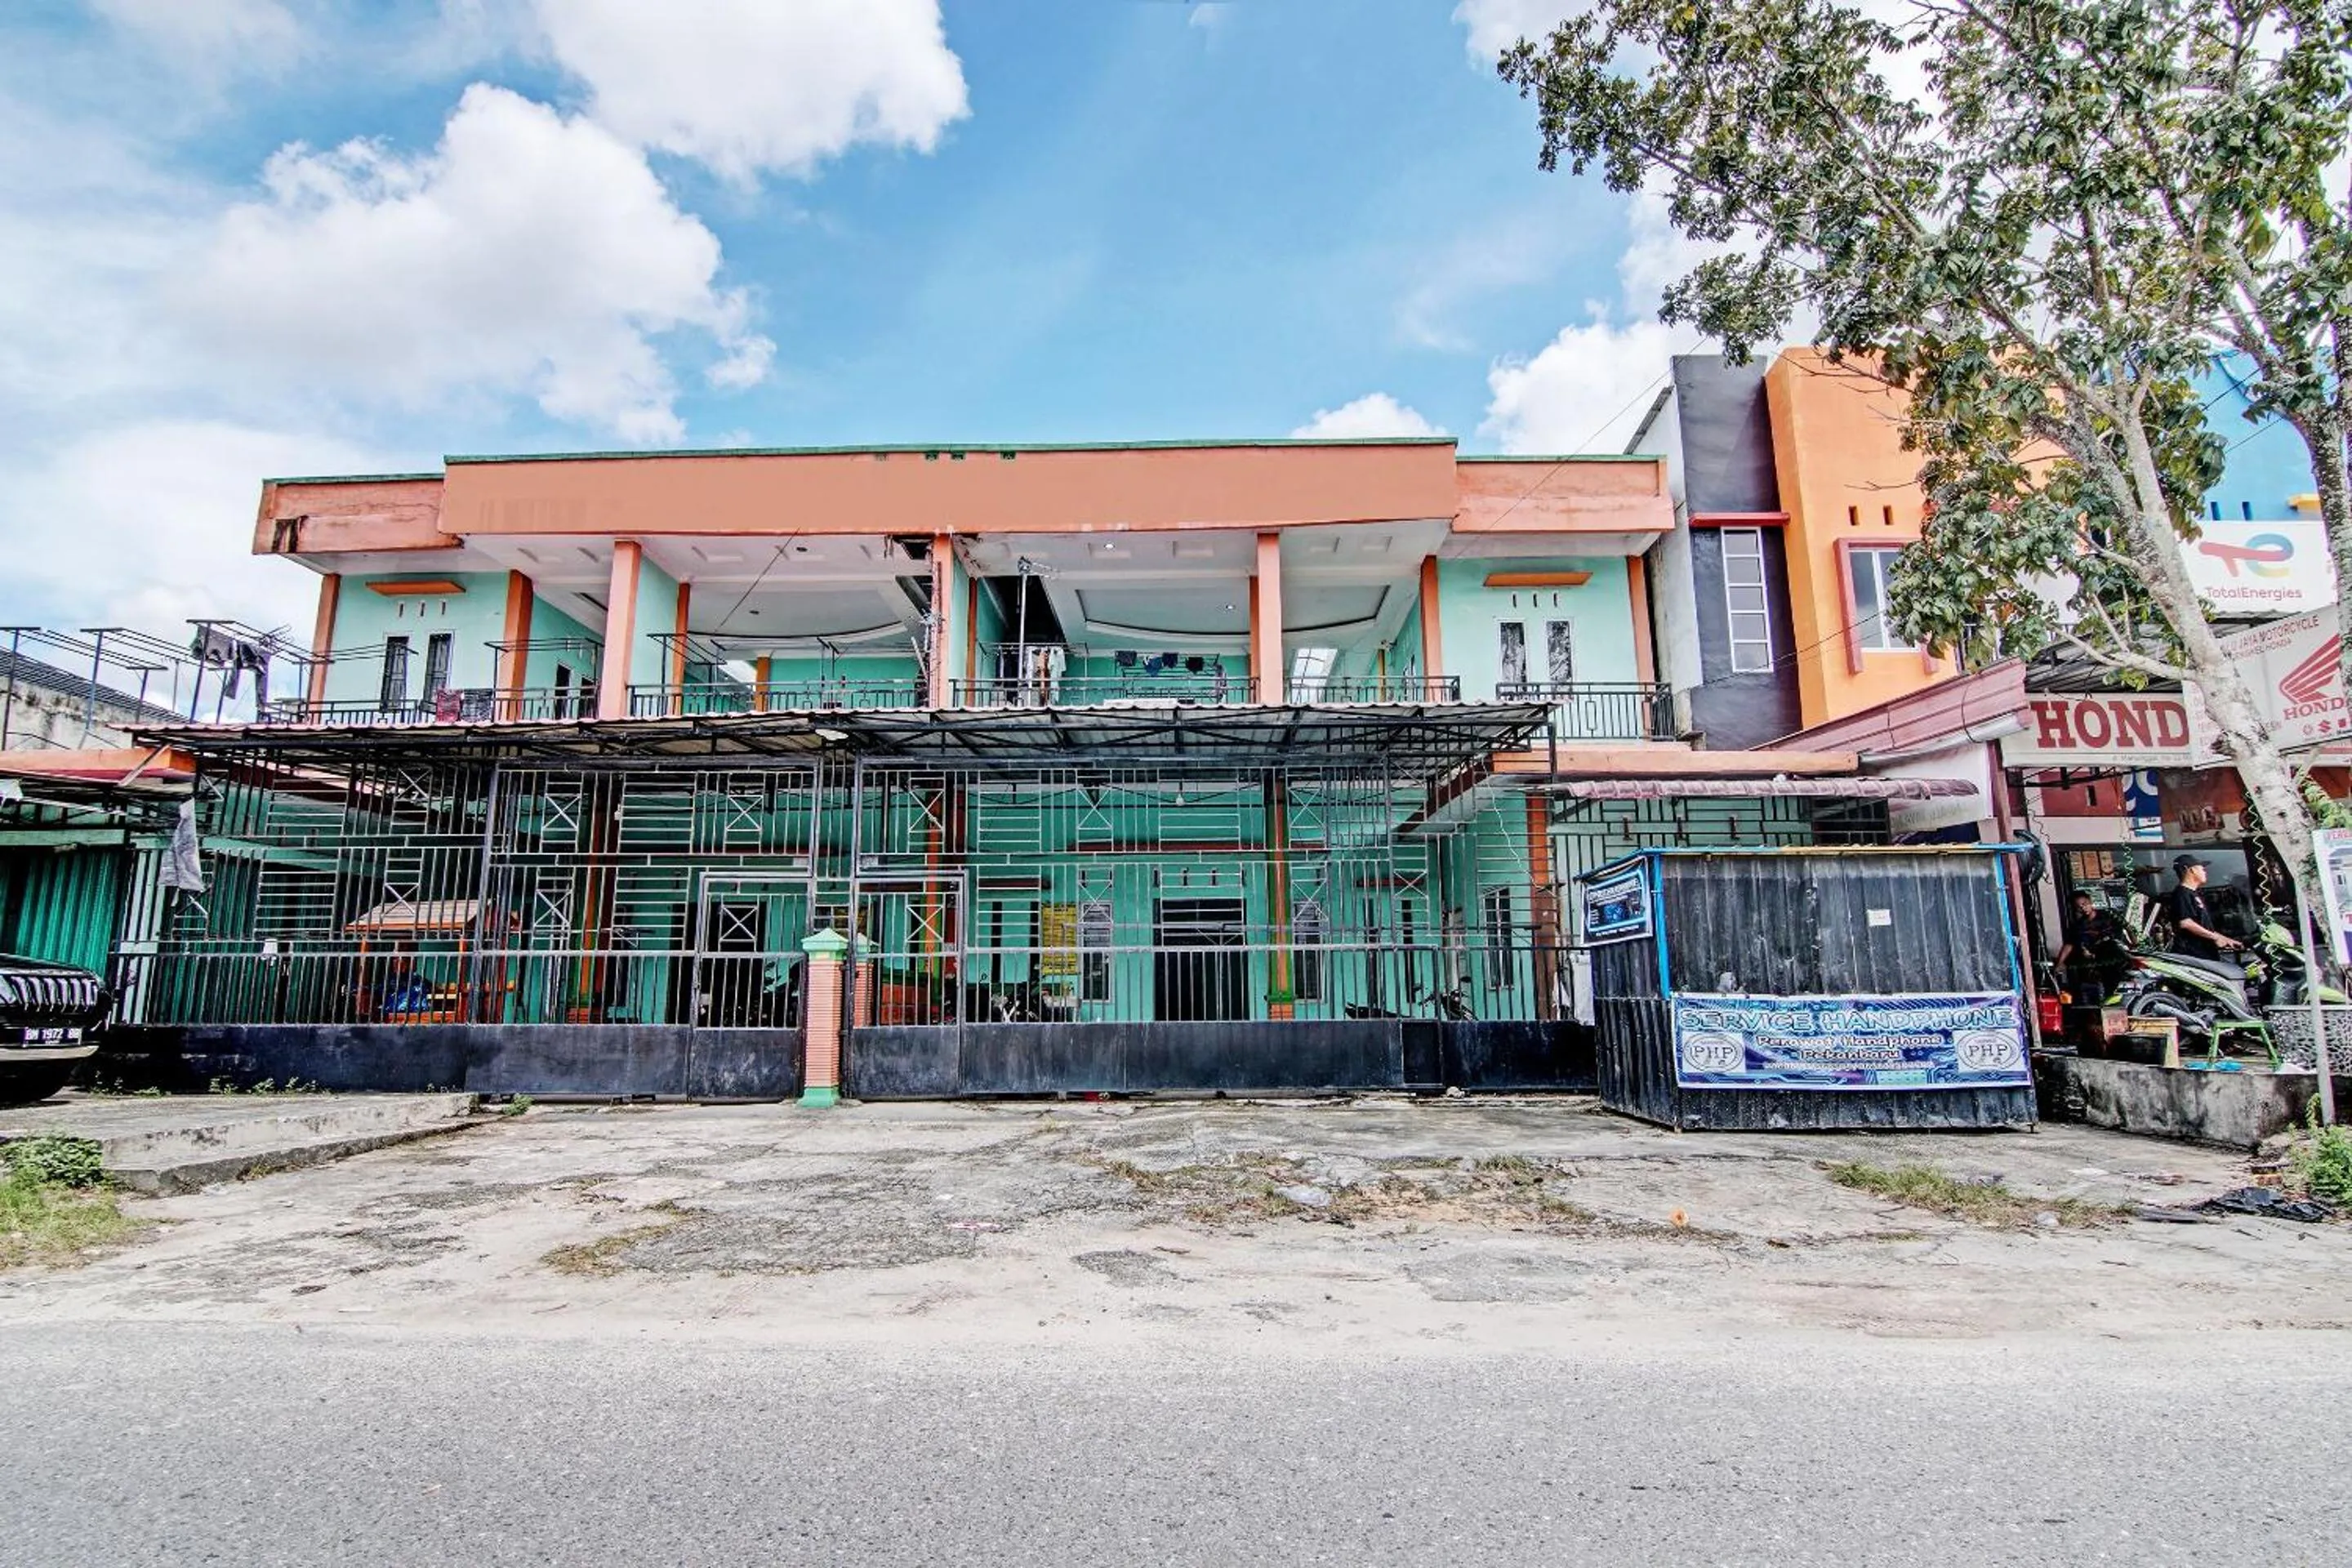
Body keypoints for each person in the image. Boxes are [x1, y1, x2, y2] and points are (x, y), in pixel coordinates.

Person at [2163, 854, 2241, 962]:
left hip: (2205, 953)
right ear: (2191, 870)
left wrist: (2225, 939)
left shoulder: (2192, 894)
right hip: (2194, 955)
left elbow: (2202, 925)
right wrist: (2216, 938)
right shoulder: (2182, 894)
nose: (2205, 872)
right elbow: (2186, 923)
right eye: (2202, 869)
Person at [2053, 889, 2124, 1000]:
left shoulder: (2107, 916)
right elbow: (2069, 944)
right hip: (2097, 962)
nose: (2083, 908)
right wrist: (2060, 962)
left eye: (2084, 904)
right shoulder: (2079, 926)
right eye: (2079, 907)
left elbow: (2124, 929)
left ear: (2090, 902)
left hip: (2116, 956)